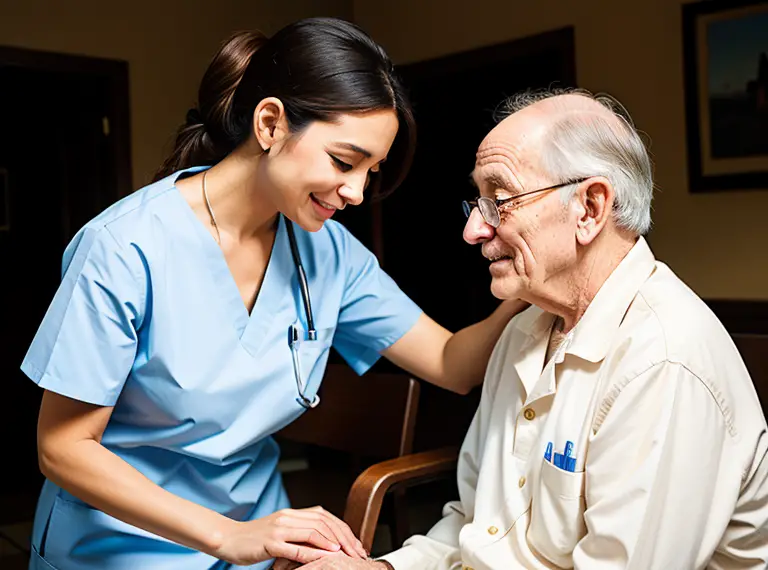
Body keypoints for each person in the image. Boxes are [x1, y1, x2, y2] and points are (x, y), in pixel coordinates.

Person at [22, 17, 527, 570]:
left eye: (371, 171)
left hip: (260, 544)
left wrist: (531, 283)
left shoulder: (328, 253)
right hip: (121, 546)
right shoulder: (124, 247)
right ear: (270, 123)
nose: (357, 192)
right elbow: (63, 448)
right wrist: (226, 537)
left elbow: (451, 363)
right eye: (343, 161)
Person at [277, 88, 768, 570]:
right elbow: (473, 524)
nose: (473, 230)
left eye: (500, 199)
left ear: (590, 209)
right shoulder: (524, 332)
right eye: (478, 203)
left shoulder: (663, 362)